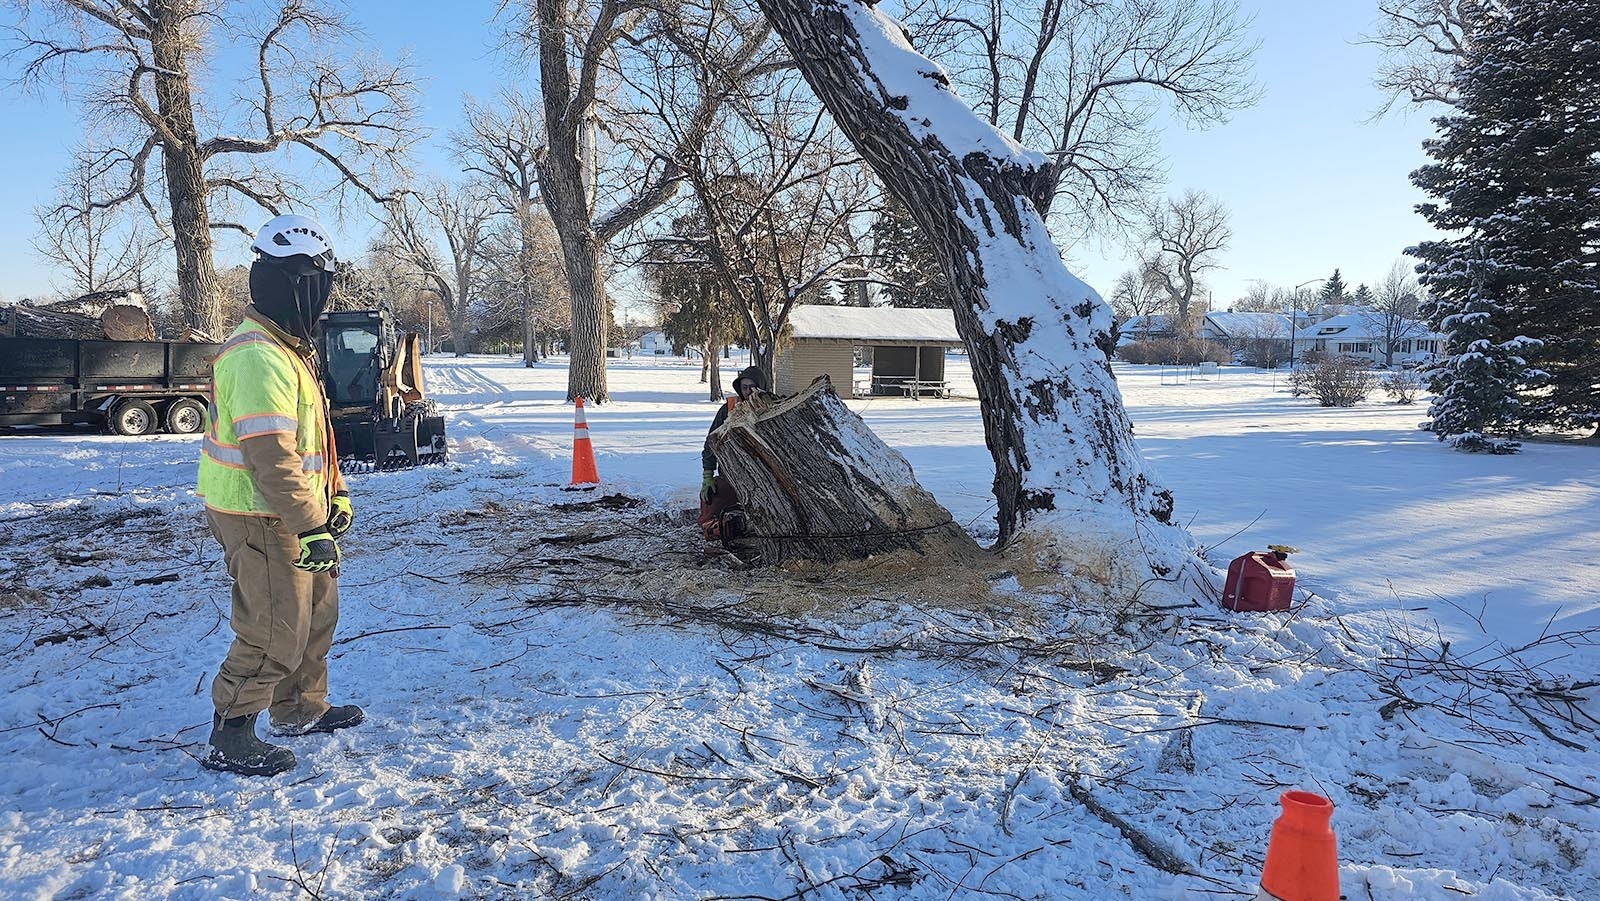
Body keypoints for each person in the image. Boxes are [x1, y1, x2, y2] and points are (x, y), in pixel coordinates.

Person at [195, 213, 362, 777]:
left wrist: (332, 497)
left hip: (293, 509)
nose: (322, 296)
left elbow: (316, 442)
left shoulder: (289, 350)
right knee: (274, 625)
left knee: (316, 611)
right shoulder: (256, 355)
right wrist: (309, 523)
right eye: (315, 281)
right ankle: (233, 730)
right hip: (257, 512)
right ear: (290, 283)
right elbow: (271, 456)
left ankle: (298, 708)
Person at [699, 366, 766, 546]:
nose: (748, 391)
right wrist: (707, 476)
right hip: (730, 476)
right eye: (744, 387)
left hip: (762, 478)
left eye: (753, 387)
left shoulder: (770, 407)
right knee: (710, 507)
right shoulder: (728, 408)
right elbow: (711, 442)